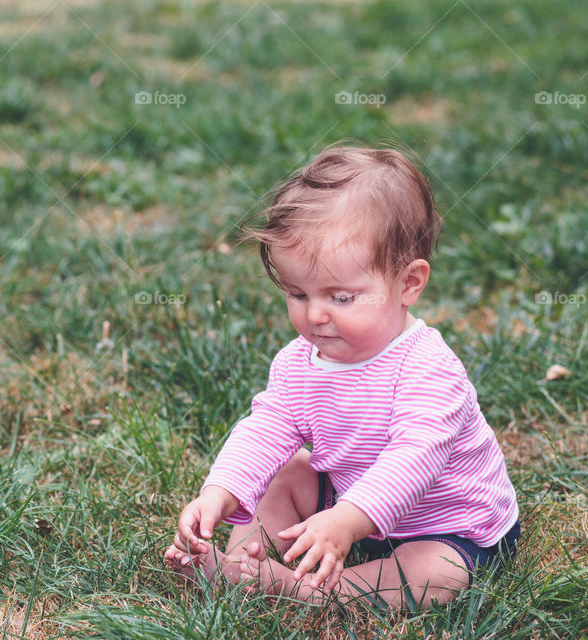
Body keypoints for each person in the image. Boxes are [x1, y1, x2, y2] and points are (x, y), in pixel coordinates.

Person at [163, 144, 520, 609]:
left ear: (409, 283)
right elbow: (266, 430)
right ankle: (239, 564)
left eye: (341, 297)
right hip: (344, 506)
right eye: (296, 293)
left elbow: (414, 460)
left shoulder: (428, 367)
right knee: (284, 472)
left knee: (438, 574)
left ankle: (311, 592)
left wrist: (347, 521)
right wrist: (219, 493)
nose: (315, 315)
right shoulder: (299, 362)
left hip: (446, 526)